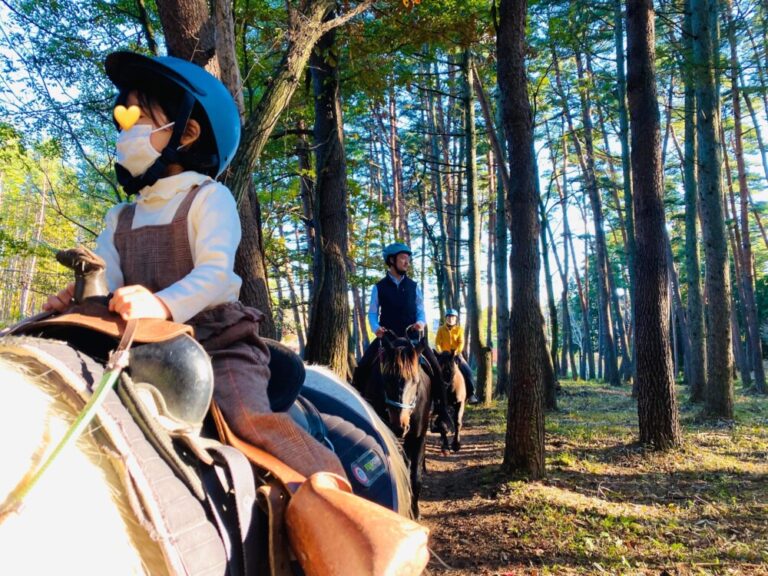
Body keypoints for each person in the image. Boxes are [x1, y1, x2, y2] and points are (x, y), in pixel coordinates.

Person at [43, 50, 345, 480]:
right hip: (137, 345)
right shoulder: (120, 217)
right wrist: (80, 301)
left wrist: (162, 305)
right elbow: (106, 278)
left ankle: (338, 500)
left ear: (186, 132)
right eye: (122, 121)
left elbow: (216, 274)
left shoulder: (208, 198)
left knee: (247, 420)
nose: (124, 131)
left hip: (216, 342)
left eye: (138, 119)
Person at [352, 242, 452, 429]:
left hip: (412, 340)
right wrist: (376, 328)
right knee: (363, 366)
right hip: (387, 339)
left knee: (436, 369)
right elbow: (372, 313)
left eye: (408, 259)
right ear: (391, 260)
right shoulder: (379, 287)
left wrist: (421, 322)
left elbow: (421, 311)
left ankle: (443, 413)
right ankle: (358, 410)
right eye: (403, 258)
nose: (407, 262)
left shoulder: (414, 286)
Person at [435, 309, 479, 404]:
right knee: (434, 371)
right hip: (443, 355)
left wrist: (456, 352)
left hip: (456, 355)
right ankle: (433, 396)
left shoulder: (459, 330)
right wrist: (441, 352)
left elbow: (461, 343)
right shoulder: (441, 329)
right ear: (446, 318)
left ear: (456, 319)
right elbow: (437, 342)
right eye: (448, 317)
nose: (450, 319)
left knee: (468, 372)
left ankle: (471, 394)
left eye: (452, 317)